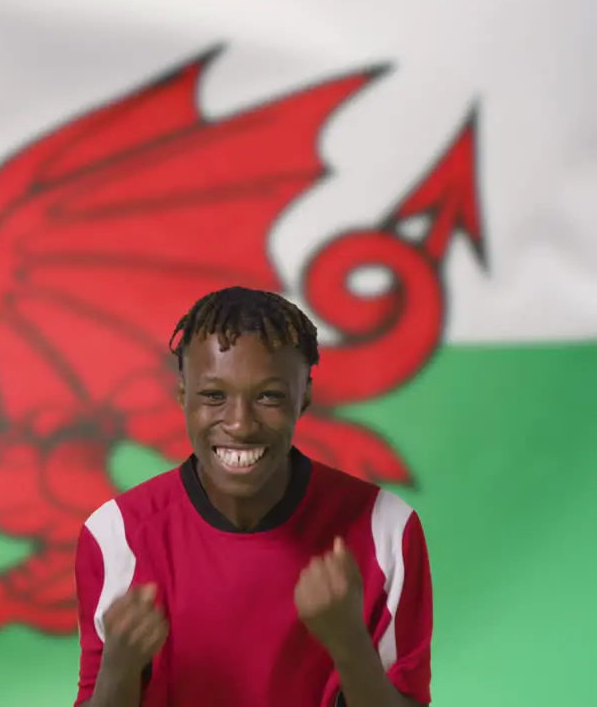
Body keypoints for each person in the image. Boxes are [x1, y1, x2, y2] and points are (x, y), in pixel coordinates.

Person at [73, 287, 432, 707]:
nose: (240, 424)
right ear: (183, 394)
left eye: (269, 396)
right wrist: (119, 668)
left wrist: (349, 643)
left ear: (305, 396)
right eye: (213, 396)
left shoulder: (384, 528)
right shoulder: (116, 535)